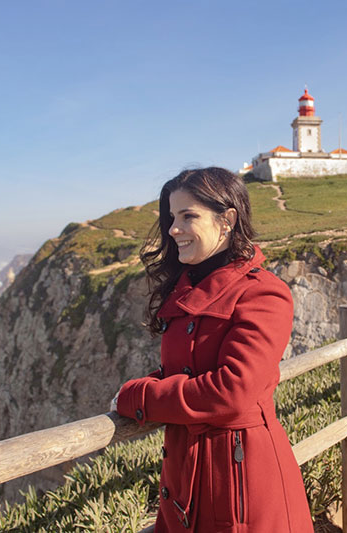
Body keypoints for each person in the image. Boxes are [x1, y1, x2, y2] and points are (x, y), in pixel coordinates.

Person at [111, 167, 313, 532]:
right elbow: (186, 370)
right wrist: (148, 387)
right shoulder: (187, 288)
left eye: (189, 216)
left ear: (227, 220)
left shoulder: (263, 293)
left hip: (238, 478)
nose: (174, 229)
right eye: (173, 217)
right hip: (185, 474)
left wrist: (139, 396)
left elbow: (232, 389)